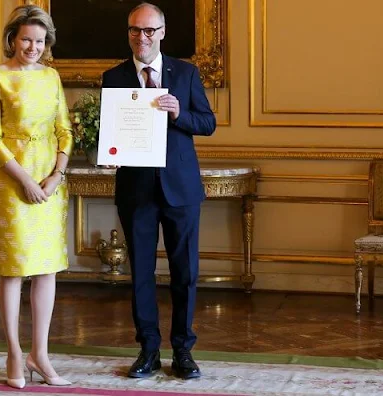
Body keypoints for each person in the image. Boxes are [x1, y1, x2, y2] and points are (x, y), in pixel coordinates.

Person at [102, 2, 216, 380]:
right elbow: (110, 131)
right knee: (142, 276)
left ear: (162, 32)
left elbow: (208, 123)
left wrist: (179, 113)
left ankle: (183, 350)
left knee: (185, 273)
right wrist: (108, 151)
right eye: (136, 30)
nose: (142, 37)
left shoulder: (185, 73)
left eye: (149, 30)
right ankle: (148, 350)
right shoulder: (114, 77)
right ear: (128, 33)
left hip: (180, 190)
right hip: (136, 191)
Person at [0, 5, 73, 390]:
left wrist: (55, 177)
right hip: (10, 183)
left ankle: (41, 354)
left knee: (47, 267)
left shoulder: (51, 78)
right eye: (25, 39)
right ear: (12, 40)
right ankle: (15, 353)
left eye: (39, 40)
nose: (32, 46)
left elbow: (65, 130)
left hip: (50, 183)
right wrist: (26, 181)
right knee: (13, 269)